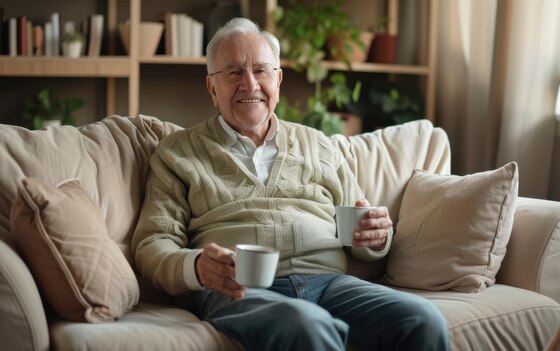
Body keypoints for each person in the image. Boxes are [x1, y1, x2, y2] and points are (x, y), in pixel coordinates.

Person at [132, 17, 449, 351]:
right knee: (307, 326)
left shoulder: (319, 145)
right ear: (212, 87)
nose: (250, 84)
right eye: (234, 72)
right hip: (239, 290)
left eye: (261, 70)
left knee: (422, 320)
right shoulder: (178, 152)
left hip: (329, 283)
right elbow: (153, 243)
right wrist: (197, 267)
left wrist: (376, 237)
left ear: (278, 81)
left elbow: (359, 231)